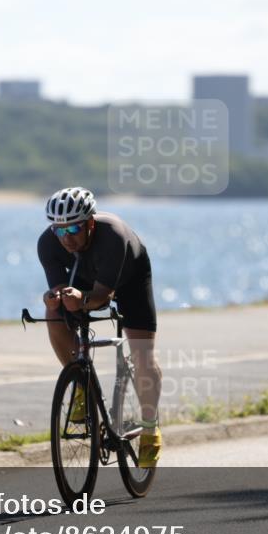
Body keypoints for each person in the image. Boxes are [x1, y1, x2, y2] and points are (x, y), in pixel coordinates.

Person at [37, 187, 162, 467]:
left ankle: (150, 429)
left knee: (142, 353)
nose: (67, 238)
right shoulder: (47, 243)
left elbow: (102, 297)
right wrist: (55, 297)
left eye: (74, 229)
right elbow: (59, 290)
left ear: (90, 222)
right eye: (60, 230)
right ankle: (80, 381)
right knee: (52, 309)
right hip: (83, 278)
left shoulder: (112, 236)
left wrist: (83, 300)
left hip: (129, 279)